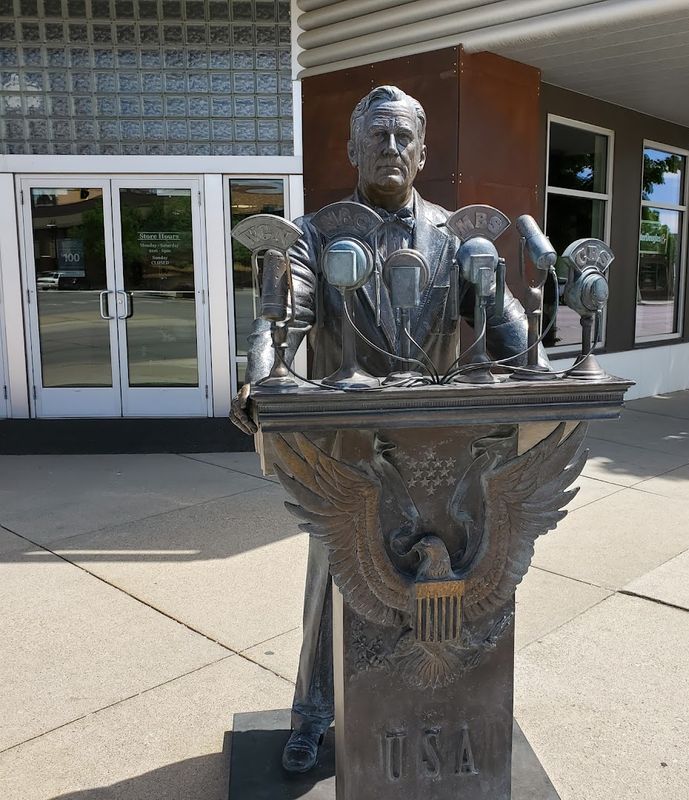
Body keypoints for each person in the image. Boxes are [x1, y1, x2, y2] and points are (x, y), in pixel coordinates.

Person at [230, 85, 545, 772]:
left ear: (424, 152)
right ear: (352, 148)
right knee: (332, 581)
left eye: (405, 137)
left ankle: (445, 709)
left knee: (453, 578)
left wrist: (507, 310)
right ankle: (314, 713)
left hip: (446, 450)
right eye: (379, 135)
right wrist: (259, 377)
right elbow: (281, 321)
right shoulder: (315, 234)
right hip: (351, 452)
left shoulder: (458, 237)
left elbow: (513, 338)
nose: (393, 148)